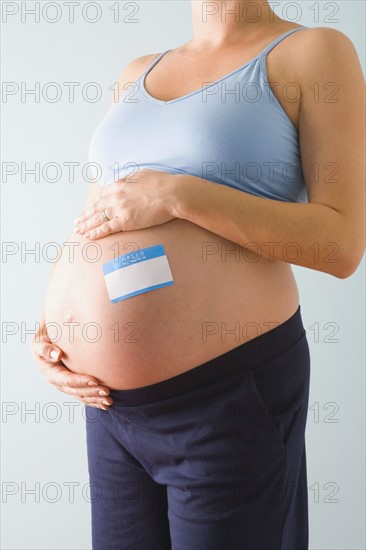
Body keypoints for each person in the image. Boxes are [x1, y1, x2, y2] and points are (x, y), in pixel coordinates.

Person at [31, 1, 365, 548]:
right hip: (110, 409)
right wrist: (51, 326)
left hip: (225, 397)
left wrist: (180, 194)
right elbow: (101, 214)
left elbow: (342, 243)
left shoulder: (313, 52)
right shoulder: (136, 72)